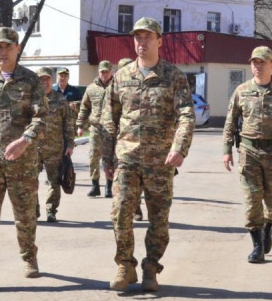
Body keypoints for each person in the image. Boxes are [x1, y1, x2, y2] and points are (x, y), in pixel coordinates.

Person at [102, 17, 195, 292]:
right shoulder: (121, 77)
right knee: (120, 213)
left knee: (159, 220)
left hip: (160, 161)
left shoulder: (173, 76)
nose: (142, 42)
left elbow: (186, 115)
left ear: (159, 41)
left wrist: (179, 148)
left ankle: (151, 267)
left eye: (148, 37)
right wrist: (107, 158)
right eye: (138, 37)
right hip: (127, 158)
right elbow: (109, 119)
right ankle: (125, 265)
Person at [0, 27, 48, 292]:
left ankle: (29, 257)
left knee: (25, 217)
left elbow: (41, 118)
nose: (3, 52)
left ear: (17, 49)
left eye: (8, 47)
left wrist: (25, 140)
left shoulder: (31, 80)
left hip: (22, 164)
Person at [222, 46, 272, 263]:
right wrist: (226, 150)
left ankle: (268, 225)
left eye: (262, 62)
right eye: (254, 62)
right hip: (249, 152)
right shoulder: (241, 91)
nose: (258, 66)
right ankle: (257, 245)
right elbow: (230, 122)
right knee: (252, 200)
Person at [35, 67, 75, 223]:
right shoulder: (31, 98)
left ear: (52, 80)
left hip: (55, 148)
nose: (44, 82)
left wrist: (70, 144)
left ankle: (51, 211)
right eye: (41, 79)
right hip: (33, 148)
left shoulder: (60, 100)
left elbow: (68, 123)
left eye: (47, 79)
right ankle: (33, 209)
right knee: (30, 181)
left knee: (54, 181)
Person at [76, 60, 115, 198]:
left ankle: (109, 186)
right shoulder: (91, 88)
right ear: (99, 72)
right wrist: (80, 125)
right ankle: (95, 185)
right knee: (93, 156)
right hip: (96, 128)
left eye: (106, 72)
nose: (104, 74)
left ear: (111, 72)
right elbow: (84, 107)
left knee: (109, 158)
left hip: (111, 129)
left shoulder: (116, 86)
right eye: (102, 72)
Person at [114, 58, 144, 222]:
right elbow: (109, 117)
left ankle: (136, 207)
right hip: (122, 145)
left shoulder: (142, 85)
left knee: (139, 181)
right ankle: (129, 209)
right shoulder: (116, 86)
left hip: (144, 145)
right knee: (123, 184)